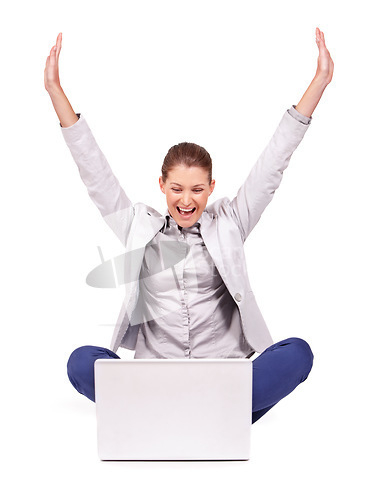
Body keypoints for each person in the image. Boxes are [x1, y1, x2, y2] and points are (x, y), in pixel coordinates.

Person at [44, 28, 333, 423]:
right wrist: (55, 91)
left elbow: (272, 164)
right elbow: (94, 171)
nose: (186, 199)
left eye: (197, 189)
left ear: (211, 188)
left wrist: (318, 82)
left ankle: (177, 417)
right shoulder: (137, 226)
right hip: (156, 379)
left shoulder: (230, 221)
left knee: (298, 352)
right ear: (161, 186)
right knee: (81, 362)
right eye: (177, 188)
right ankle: (202, 417)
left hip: (226, 378)